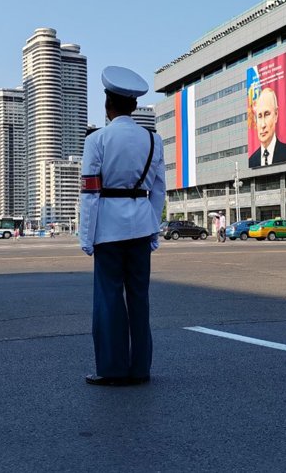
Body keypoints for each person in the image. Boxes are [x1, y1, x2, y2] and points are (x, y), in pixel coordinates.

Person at [80, 66, 166, 387]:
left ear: (107, 103)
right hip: (141, 227)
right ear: (133, 105)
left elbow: (90, 193)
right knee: (139, 298)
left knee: (109, 299)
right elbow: (158, 190)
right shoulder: (152, 140)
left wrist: (87, 237)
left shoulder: (97, 139)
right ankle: (140, 367)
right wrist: (153, 229)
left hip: (108, 228)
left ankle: (113, 368)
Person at [248, 87, 286, 168]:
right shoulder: (252, 161)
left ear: (276, 114)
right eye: (259, 116)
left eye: (267, 114)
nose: (263, 125)